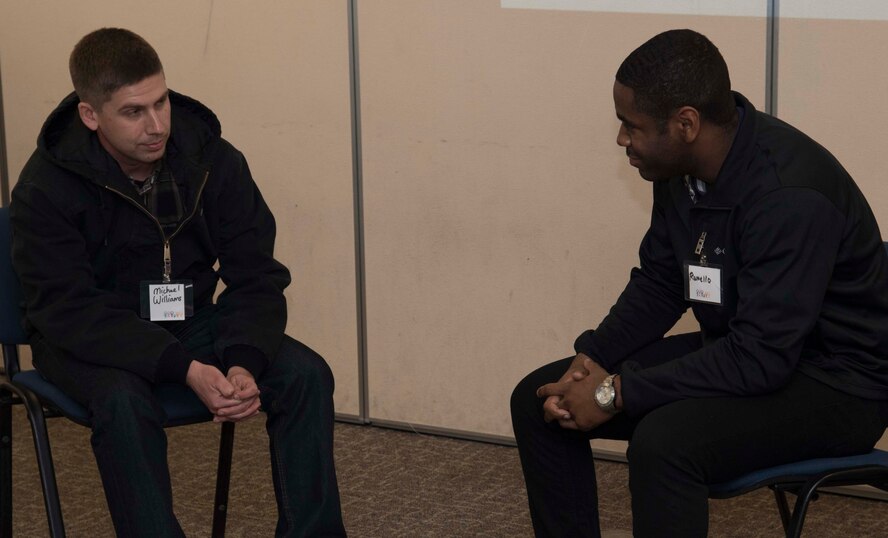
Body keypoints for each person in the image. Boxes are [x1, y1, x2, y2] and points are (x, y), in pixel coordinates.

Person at [510, 28, 888, 537]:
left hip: (838, 385)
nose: (622, 139)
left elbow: (760, 359)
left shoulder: (789, 196)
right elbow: (663, 282)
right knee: (541, 402)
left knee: (666, 444)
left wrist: (614, 394)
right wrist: (594, 360)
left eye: (631, 125)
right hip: (747, 350)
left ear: (685, 122)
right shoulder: (679, 171)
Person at [10, 28, 346, 537]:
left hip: (190, 321)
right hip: (87, 338)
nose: (156, 125)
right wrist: (183, 368)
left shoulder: (211, 160)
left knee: (306, 375)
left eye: (161, 102)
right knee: (124, 403)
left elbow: (256, 274)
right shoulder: (45, 186)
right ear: (90, 115)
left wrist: (243, 359)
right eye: (133, 112)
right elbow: (68, 310)